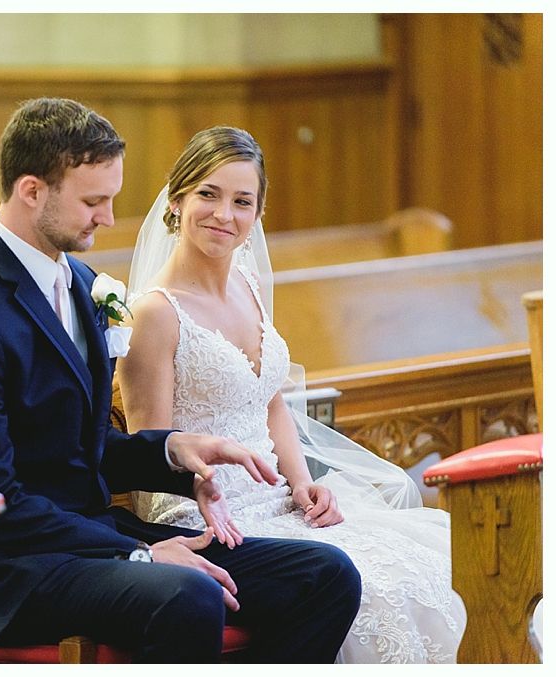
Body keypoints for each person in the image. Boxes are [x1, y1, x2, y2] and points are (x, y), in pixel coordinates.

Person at [0, 98, 362, 663]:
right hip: (17, 567)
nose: (109, 218)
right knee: (188, 594)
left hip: (93, 536)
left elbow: (86, 448)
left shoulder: (78, 280)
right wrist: (137, 555)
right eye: (93, 201)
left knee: (325, 575)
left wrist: (172, 451)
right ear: (31, 191)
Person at [117, 125, 467, 663]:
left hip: (279, 499)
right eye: (207, 194)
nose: (223, 215)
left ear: (257, 214)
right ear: (177, 199)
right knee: (377, 588)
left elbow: (271, 401)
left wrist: (304, 483)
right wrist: (206, 495)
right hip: (207, 515)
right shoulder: (155, 313)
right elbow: (149, 450)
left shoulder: (248, 284)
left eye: (241, 201)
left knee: (438, 563)